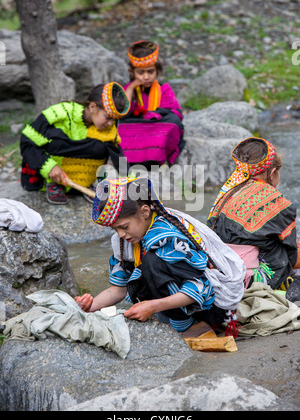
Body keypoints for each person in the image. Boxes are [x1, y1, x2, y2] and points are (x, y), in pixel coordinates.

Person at [74, 177, 246, 337]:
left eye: (124, 226)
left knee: (152, 261)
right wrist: (90, 306)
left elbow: (200, 288)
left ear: (145, 212)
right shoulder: (125, 240)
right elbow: (118, 289)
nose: (120, 234)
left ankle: (187, 325)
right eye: (115, 229)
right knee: (143, 268)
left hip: (211, 306)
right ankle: (169, 317)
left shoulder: (166, 236)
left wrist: (152, 306)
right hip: (174, 301)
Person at [207, 137, 300, 291]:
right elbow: (291, 254)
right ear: (273, 172)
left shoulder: (229, 191)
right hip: (248, 280)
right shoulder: (275, 201)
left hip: (218, 270)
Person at [20, 82, 130, 204]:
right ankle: (53, 184)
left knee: (102, 146)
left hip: (85, 177)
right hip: (53, 173)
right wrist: (49, 166)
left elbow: (117, 155)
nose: (111, 124)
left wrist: (131, 183)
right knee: (56, 140)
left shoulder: (108, 127)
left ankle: (85, 183)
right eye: (108, 117)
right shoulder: (60, 113)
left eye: (114, 120)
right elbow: (27, 141)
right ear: (93, 107)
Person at [117, 40, 185, 168]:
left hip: (156, 126)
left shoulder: (164, 89)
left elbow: (176, 113)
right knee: (119, 128)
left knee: (173, 123)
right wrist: (131, 88)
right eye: (141, 73)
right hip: (137, 125)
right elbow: (121, 112)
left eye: (150, 72)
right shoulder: (126, 89)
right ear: (131, 72)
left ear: (157, 71)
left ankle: (158, 158)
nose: (146, 77)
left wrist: (156, 115)